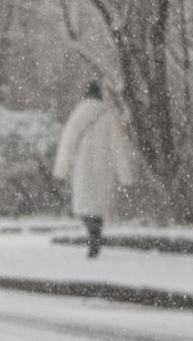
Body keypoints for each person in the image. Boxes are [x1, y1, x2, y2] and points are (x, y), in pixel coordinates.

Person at [53, 80, 134, 258]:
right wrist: (125, 175)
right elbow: (118, 147)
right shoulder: (110, 116)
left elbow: (68, 143)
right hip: (104, 168)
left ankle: (93, 236)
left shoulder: (79, 113)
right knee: (98, 206)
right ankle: (96, 236)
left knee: (85, 205)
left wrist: (61, 170)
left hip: (82, 167)